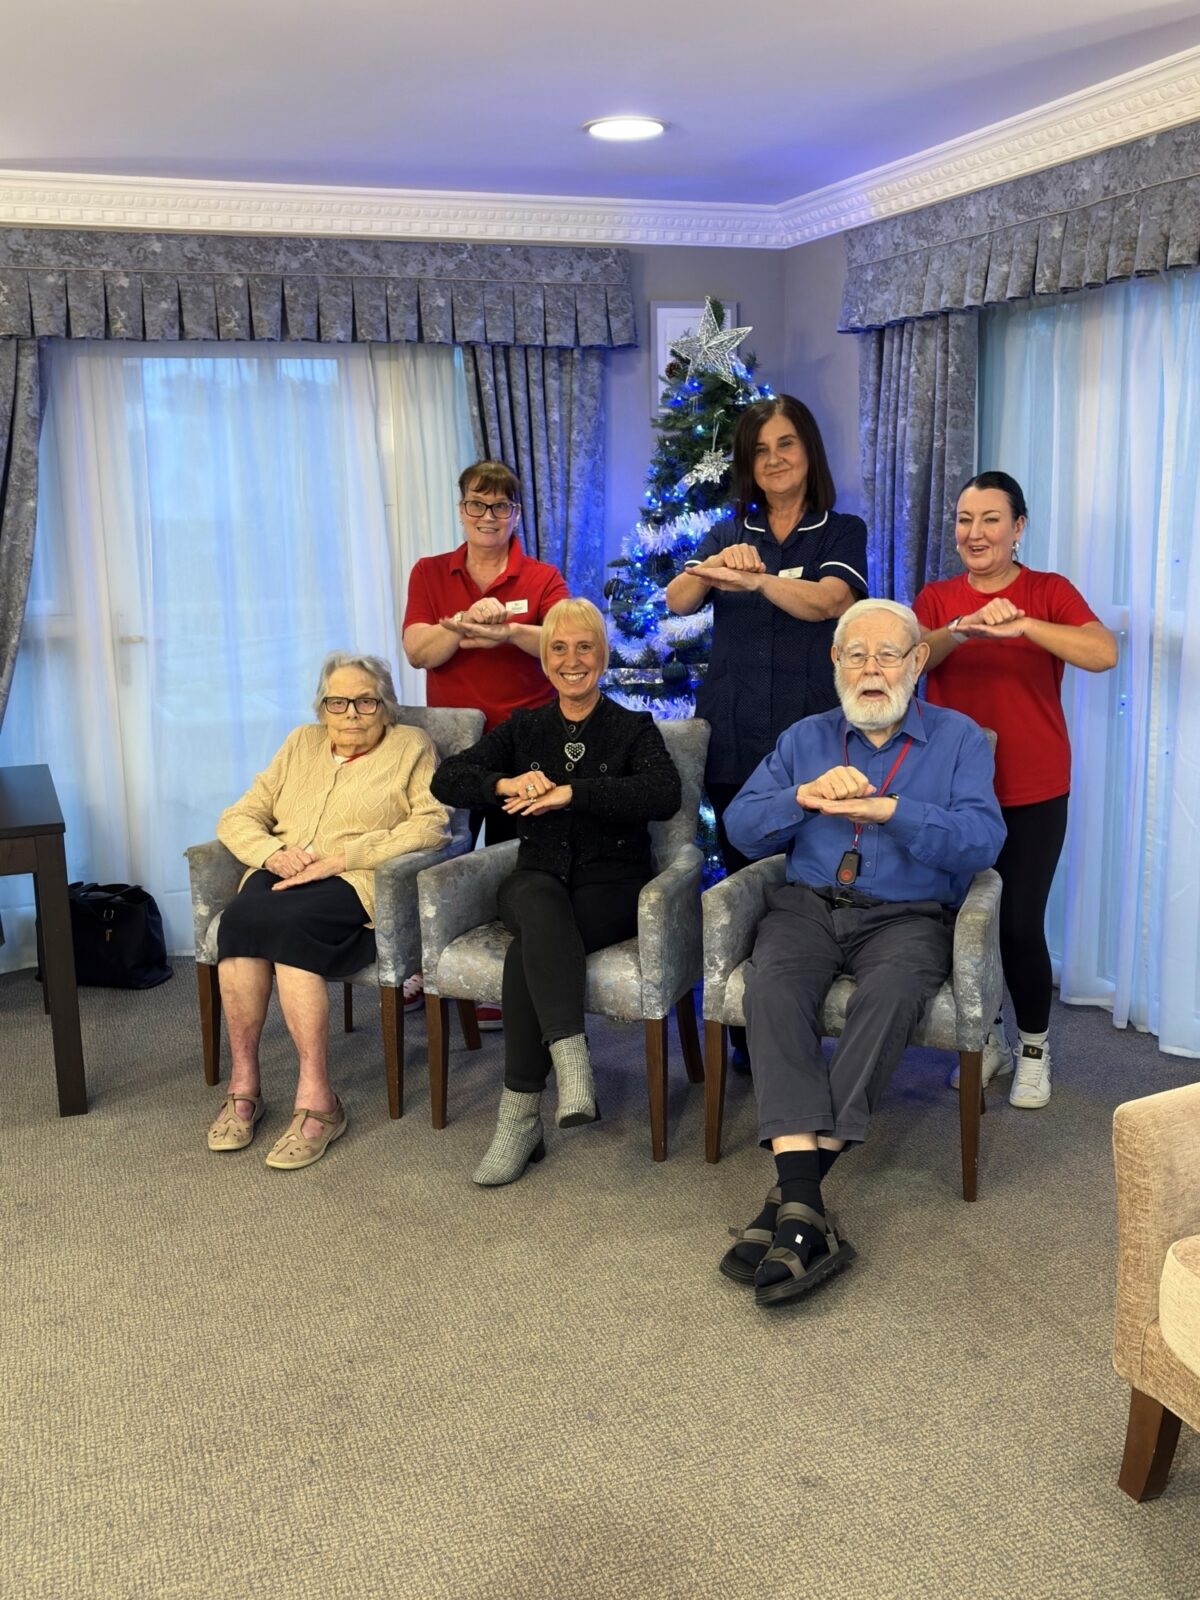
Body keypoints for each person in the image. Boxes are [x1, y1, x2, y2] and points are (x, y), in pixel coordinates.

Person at [719, 599, 1005, 1307]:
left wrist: (892, 812)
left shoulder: (959, 739)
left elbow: (983, 843)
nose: (872, 669)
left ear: (917, 663)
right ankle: (804, 1212)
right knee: (771, 987)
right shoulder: (805, 739)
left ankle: (792, 1203)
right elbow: (740, 827)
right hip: (808, 906)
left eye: (888, 655)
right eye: (856, 655)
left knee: (890, 999)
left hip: (909, 915)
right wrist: (803, 797)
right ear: (836, 665)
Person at [430, 598, 681, 1186]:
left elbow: (661, 795)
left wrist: (574, 792)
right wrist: (503, 781)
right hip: (534, 876)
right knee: (539, 906)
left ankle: (519, 1119)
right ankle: (570, 1058)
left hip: (611, 885)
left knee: (530, 951)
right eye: (559, 649)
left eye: (584, 647)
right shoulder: (523, 729)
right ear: (545, 661)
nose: (573, 660)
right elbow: (449, 779)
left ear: (603, 656)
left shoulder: (632, 728)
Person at [914, 471, 1117, 1110]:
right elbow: (911, 658)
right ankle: (987, 1038)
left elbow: (1102, 651)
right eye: (965, 519)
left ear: (1018, 527)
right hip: (954, 791)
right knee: (960, 924)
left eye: (991, 519)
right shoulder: (939, 597)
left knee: (1020, 925)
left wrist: (1024, 626)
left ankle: (1033, 1047)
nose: (975, 532)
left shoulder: (1047, 591)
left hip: (1033, 785)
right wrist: (964, 629)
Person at [208, 653, 450, 1169]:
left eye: (366, 701)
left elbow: (431, 825)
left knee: (292, 930)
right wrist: (272, 854)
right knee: (239, 921)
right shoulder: (300, 743)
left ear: (386, 707)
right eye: (337, 702)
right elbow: (239, 816)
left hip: (352, 880)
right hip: (281, 873)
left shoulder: (411, 746)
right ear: (322, 708)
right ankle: (245, 1083)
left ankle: (319, 1098)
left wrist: (343, 857)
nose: (351, 713)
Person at [664, 395, 868, 876]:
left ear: (809, 450)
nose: (773, 458)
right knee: (743, 873)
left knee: (815, 871)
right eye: (759, 450)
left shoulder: (841, 531)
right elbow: (678, 599)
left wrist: (757, 580)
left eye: (785, 443)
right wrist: (715, 565)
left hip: (815, 735)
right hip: (734, 735)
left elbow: (831, 602)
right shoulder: (728, 532)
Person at [403, 459, 569, 1027]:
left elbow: (563, 642)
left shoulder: (542, 578)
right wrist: (458, 625)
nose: (488, 516)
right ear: (461, 510)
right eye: (477, 504)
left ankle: (499, 979)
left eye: (500, 506)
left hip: (522, 742)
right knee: (436, 851)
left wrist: (507, 631)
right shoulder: (429, 572)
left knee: (508, 859)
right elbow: (418, 650)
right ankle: (420, 967)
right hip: (449, 742)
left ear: (515, 513)